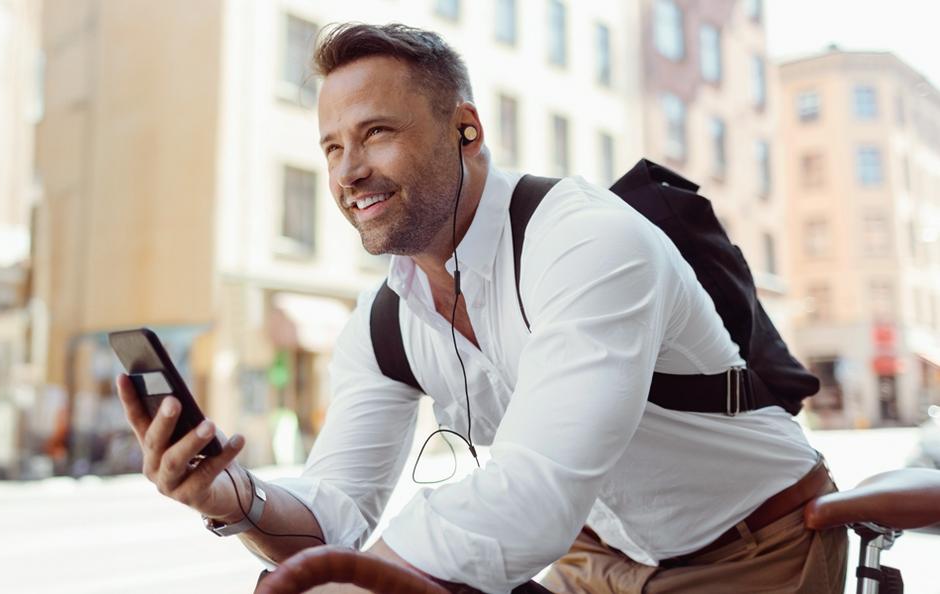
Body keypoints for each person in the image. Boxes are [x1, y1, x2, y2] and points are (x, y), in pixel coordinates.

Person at [116, 23, 844, 593]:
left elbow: (533, 497)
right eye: (332, 146)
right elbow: (334, 515)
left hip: (758, 551)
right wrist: (232, 499)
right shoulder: (383, 325)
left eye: (376, 132)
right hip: (596, 565)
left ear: (466, 128)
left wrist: (360, 580)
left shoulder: (584, 239)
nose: (348, 172)